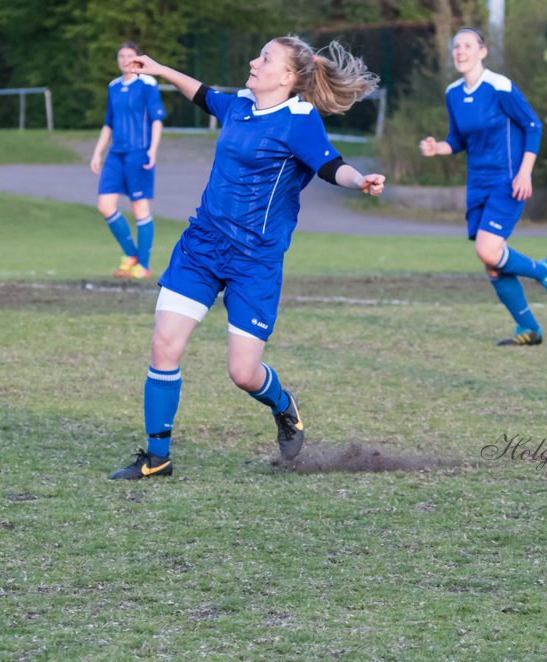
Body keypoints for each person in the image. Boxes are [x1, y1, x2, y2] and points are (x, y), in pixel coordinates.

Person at [108, 36, 385, 480]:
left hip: (254, 261)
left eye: (265, 58)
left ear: (288, 77)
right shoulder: (239, 105)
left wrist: (361, 181)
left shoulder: (299, 119)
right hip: (202, 246)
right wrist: (158, 69)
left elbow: (332, 165)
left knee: (242, 372)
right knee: (164, 344)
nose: (254, 62)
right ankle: (157, 457)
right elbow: (202, 94)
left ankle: (283, 404)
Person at [419, 28, 547, 347]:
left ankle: (543, 271)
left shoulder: (499, 86)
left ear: (482, 52)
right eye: (456, 46)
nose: (460, 52)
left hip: (508, 179)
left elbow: (533, 126)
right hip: (478, 184)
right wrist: (438, 148)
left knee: (487, 249)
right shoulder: (453, 93)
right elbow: (458, 139)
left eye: (468, 46)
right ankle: (529, 328)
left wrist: (525, 172)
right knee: (493, 264)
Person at [89, 41, 165, 279]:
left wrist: (153, 149)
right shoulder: (113, 87)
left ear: (138, 59)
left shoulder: (147, 84)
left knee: (139, 207)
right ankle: (131, 256)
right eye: (121, 55)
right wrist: (97, 152)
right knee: (105, 205)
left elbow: (156, 119)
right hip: (115, 154)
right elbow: (108, 123)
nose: (125, 60)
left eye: (130, 56)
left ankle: (143, 265)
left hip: (138, 152)